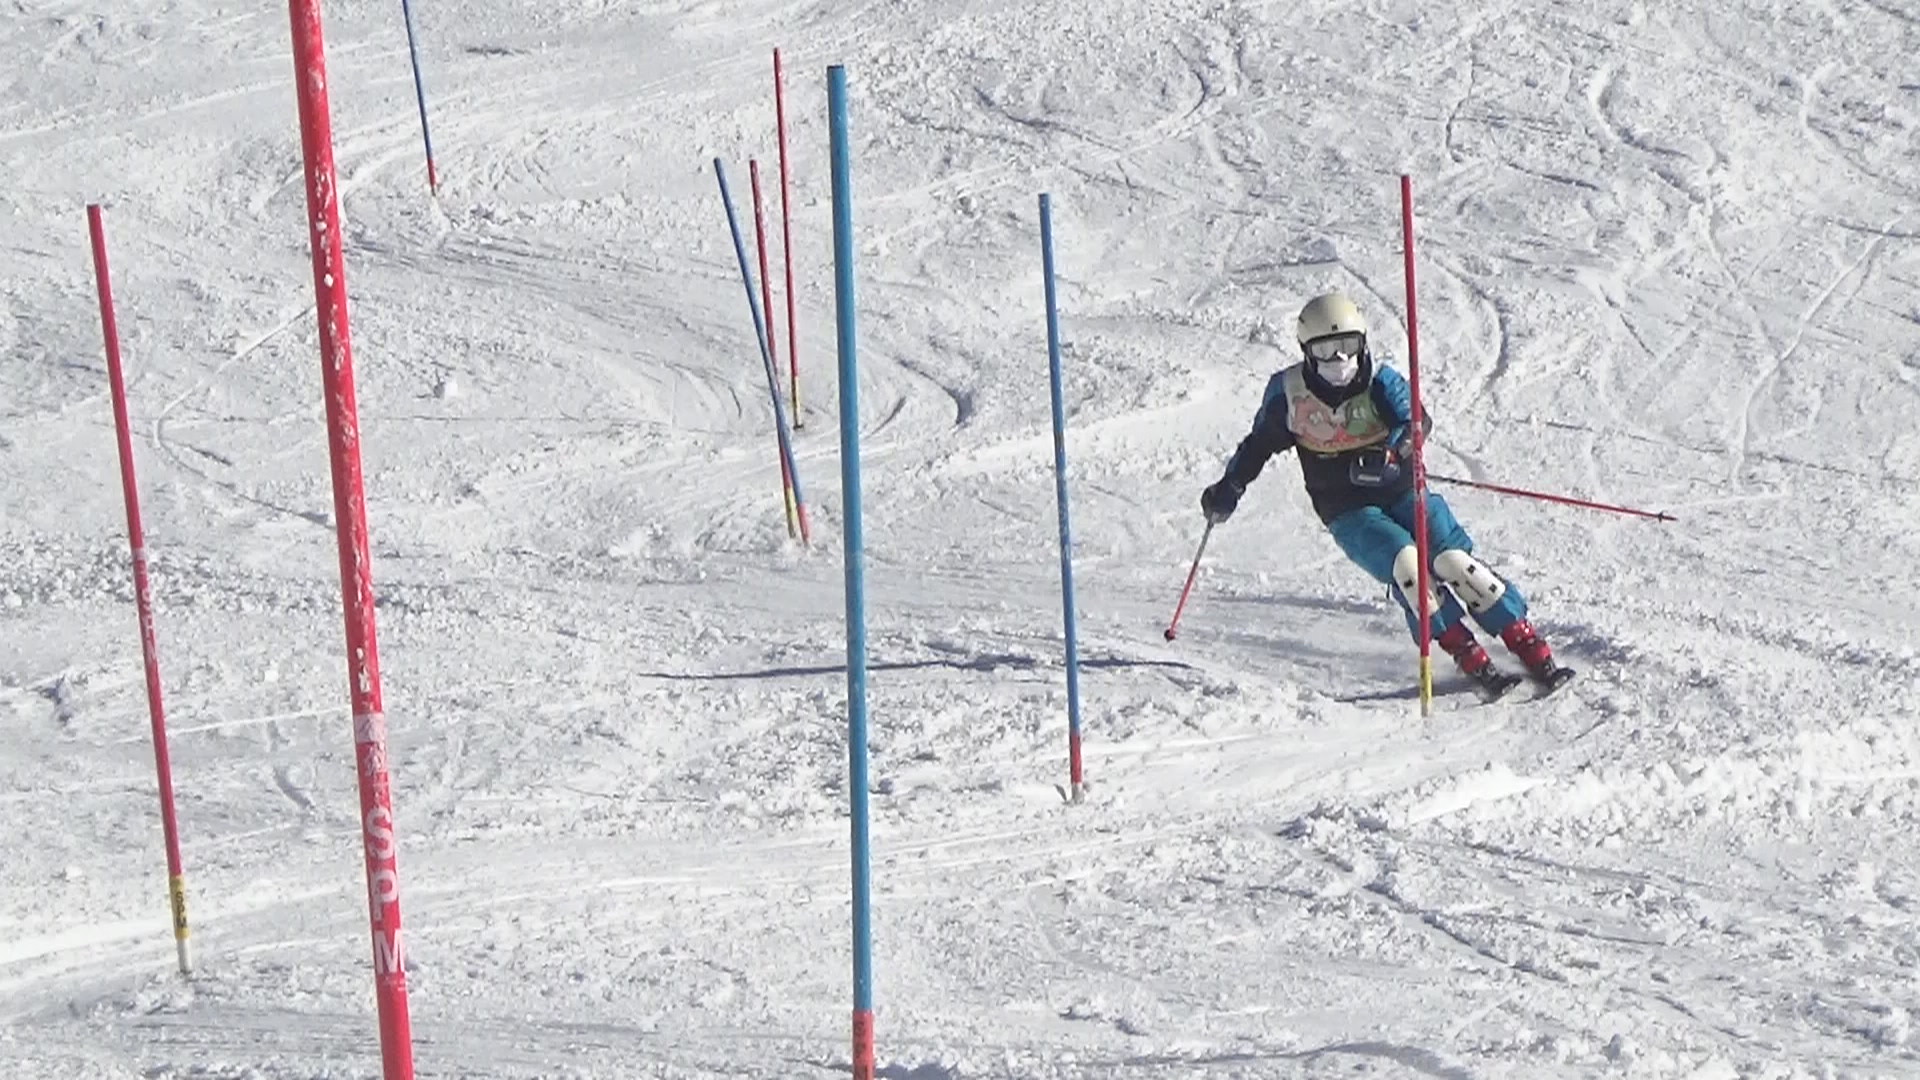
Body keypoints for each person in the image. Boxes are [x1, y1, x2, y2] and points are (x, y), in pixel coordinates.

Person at [1199, 291, 1573, 699]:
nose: (1339, 359)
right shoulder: (1289, 393)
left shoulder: (1380, 380)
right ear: (1306, 350)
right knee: (1409, 568)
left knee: (1455, 562)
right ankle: (1466, 652)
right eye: (1326, 350)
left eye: (1348, 345)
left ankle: (1525, 641)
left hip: (1403, 490)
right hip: (1347, 509)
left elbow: (1416, 420)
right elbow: (1258, 445)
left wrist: (1394, 452)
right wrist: (1230, 487)